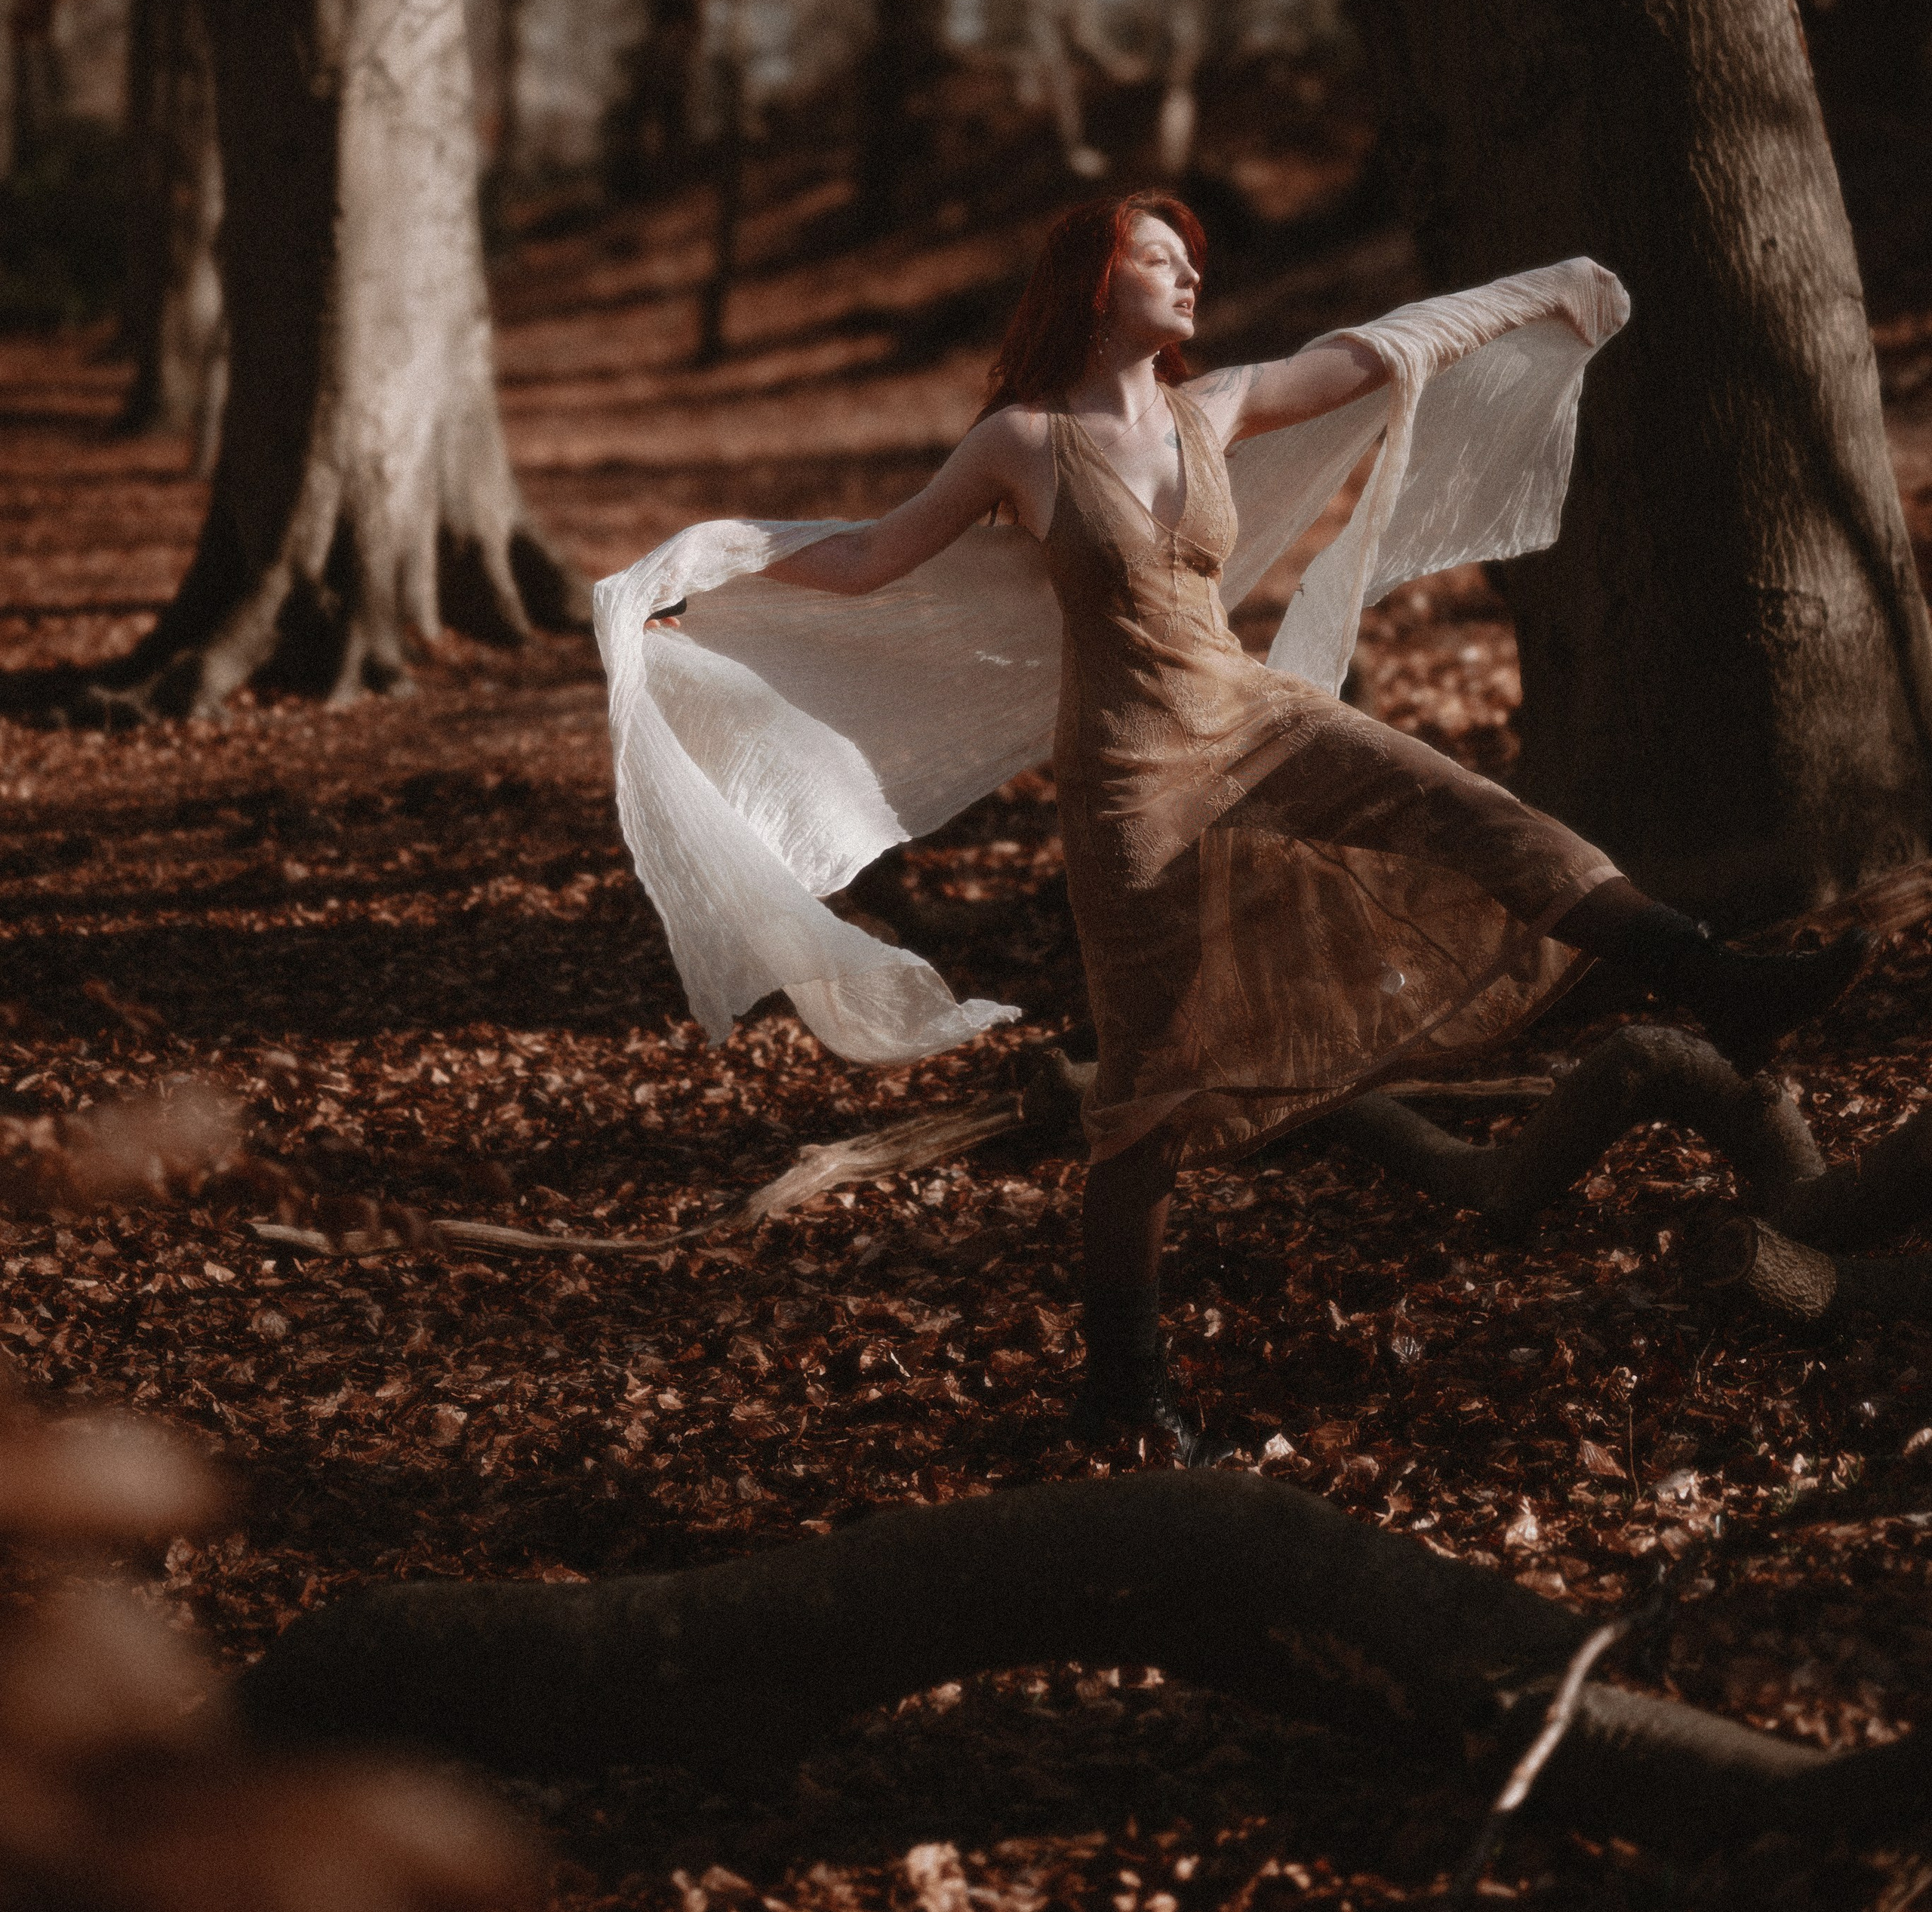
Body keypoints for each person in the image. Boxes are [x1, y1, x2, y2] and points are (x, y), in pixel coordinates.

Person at [654, 193, 1869, 1463]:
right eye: (1161, 260)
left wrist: (1536, 288)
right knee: (1144, 1101)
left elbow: (1377, 347)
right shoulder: (1023, 443)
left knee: (1482, 815)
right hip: (1129, 784)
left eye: (1194, 262)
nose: (1191, 278)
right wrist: (701, 579)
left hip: (1256, 718)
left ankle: (1716, 979)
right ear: (1094, 281)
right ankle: (1124, 1383)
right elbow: (867, 557)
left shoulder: (1213, 406)